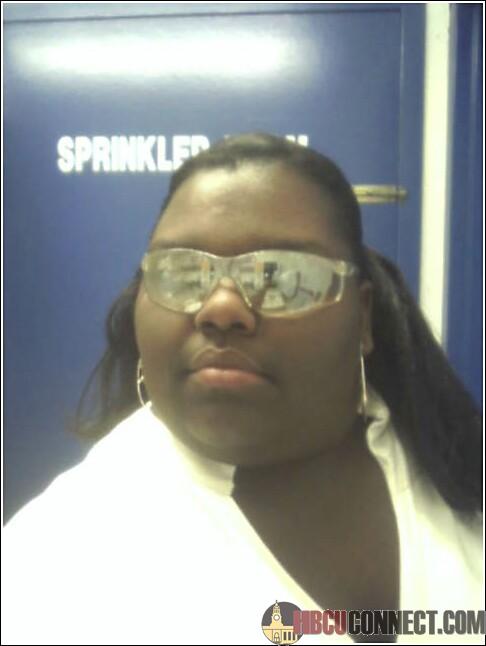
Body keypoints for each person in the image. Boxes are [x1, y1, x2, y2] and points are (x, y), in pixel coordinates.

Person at [3, 133, 483, 645]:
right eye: (183, 273)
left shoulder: (456, 469)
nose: (221, 308)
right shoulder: (53, 562)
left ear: (361, 316)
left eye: (280, 276)